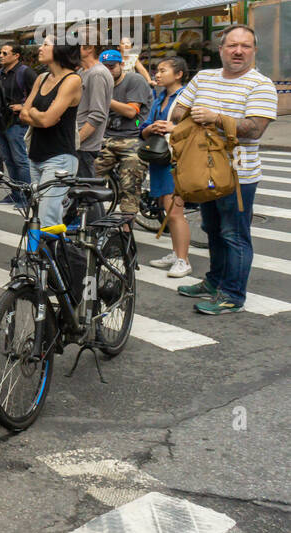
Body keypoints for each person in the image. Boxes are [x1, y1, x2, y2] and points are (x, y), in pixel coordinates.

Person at [171, 24, 278, 315]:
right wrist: (198, 115)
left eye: (245, 46)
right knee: (212, 230)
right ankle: (214, 281)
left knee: (234, 234)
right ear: (221, 50)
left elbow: (254, 129)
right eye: (232, 45)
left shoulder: (261, 85)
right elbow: (179, 110)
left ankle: (232, 295)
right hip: (202, 172)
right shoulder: (203, 77)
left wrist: (216, 117)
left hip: (238, 176)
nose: (238, 51)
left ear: (254, 51)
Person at [18, 35, 83, 228]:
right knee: (35, 218)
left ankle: (53, 258)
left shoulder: (72, 80)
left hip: (60, 158)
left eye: (46, 44)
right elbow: (23, 114)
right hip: (35, 156)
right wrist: (39, 114)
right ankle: (39, 257)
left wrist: (35, 113)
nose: (40, 48)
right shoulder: (42, 78)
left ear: (60, 50)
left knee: (47, 219)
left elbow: (46, 121)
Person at [140, 56, 192, 278]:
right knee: (166, 208)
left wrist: (173, 127)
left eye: (162, 70)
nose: (157, 74)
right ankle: (175, 253)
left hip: (177, 160)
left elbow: (194, 128)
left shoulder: (187, 97)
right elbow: (141, 128)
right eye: (156, 70)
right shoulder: (158, 97)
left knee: (175, 211)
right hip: (159, 159)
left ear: (178, 74)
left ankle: (183, 260)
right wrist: (151, 127)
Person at [94, 47, 153, 217]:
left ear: (121, 65)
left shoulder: (135, 80)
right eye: (104, 67)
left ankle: (127, 230)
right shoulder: (101, 82)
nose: (108, 71)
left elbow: (131, 112)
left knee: (130, 184)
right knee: (87, 174)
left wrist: (105, 98)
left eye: (112, 67)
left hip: (133, 136)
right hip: (107, 138)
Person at [0, 41, 35, 204]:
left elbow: (38, 96)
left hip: (18, 123)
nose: (1, 56)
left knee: (20, 160)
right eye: (0, 53)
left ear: (16, 55)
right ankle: (16, 194)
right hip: (2, 122)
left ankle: (27, 196)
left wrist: (23, 106)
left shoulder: (26, 73)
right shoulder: (0, 72)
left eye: (5, 53)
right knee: (9, 160)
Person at [76, 33, 114, 178]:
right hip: (79, 144)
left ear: (89, 48)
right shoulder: (82, 71)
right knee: (80, 194)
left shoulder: (97, 73)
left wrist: (77, 141)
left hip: (85, 146)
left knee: (87, 194)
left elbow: (97, 114)